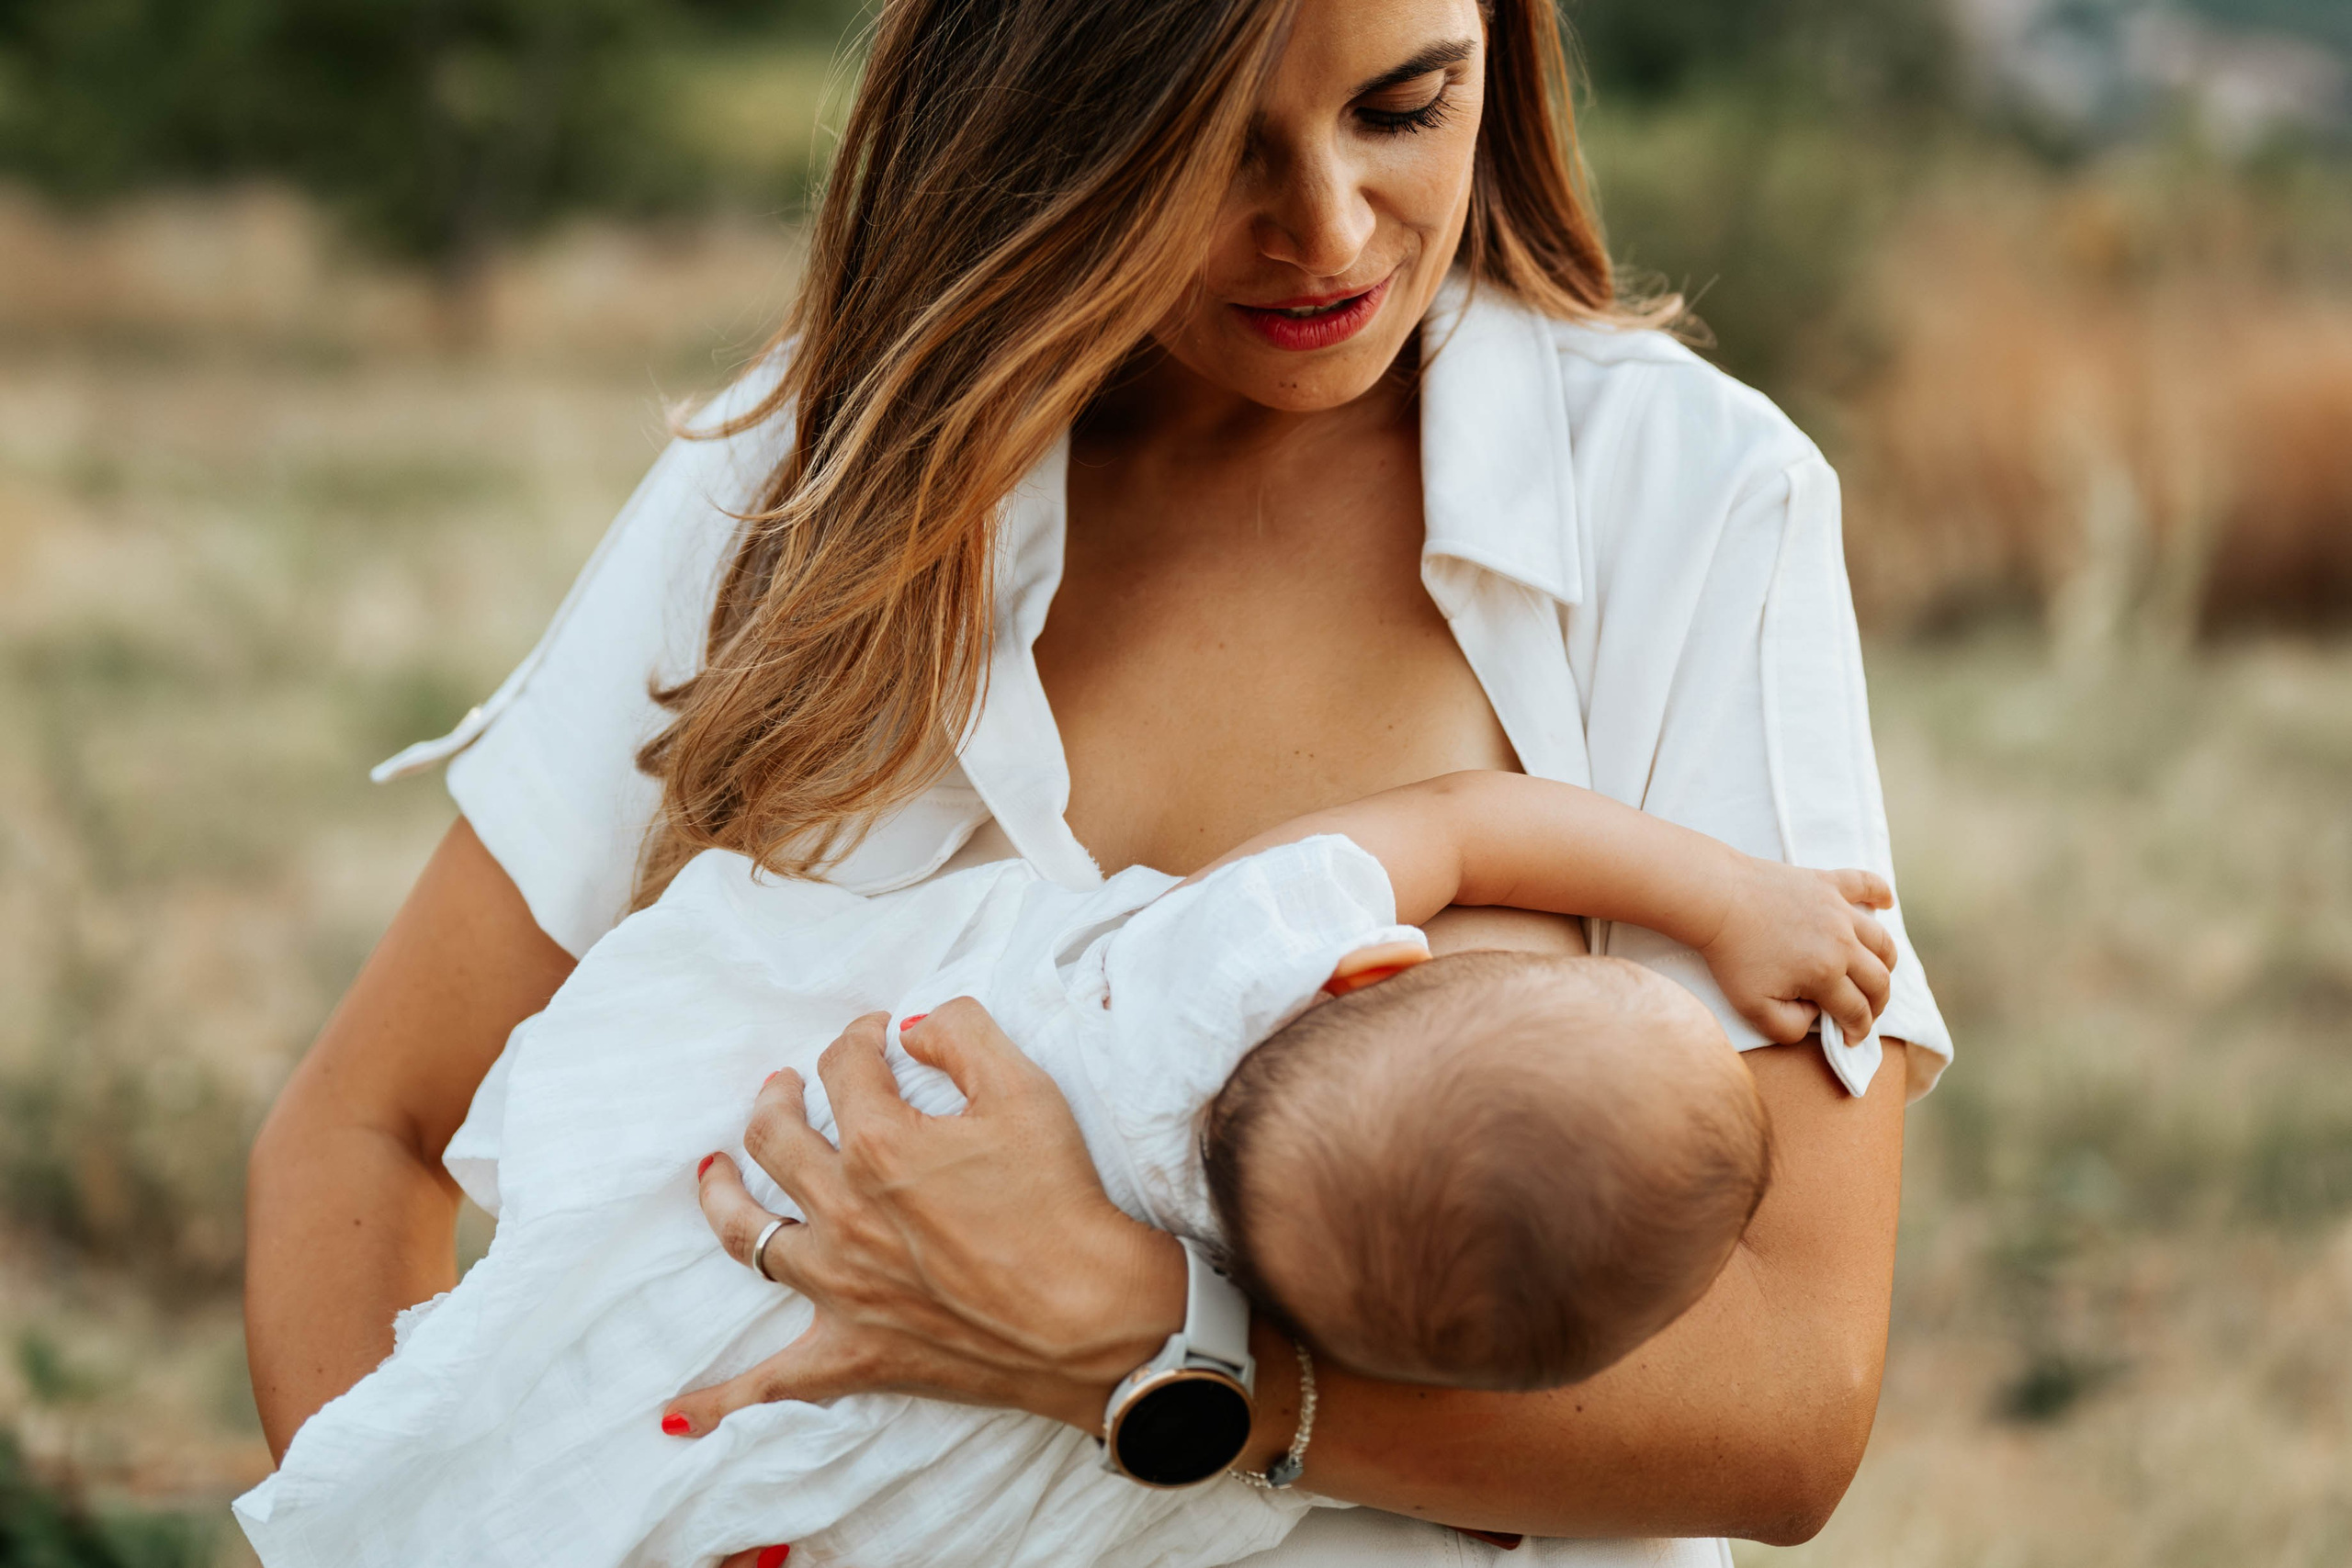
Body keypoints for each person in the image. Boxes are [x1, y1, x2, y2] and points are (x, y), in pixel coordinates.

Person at [244, 0, 1954, 1562]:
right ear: (1042, 118)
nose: (1331, 232)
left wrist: (1142, 1345)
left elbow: (1791, 1407)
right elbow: (365, 1129)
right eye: (1214, 147)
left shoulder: (1691, 497)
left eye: (1403, 107)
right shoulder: (808, 473)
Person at [236, 771, 1889, 1568]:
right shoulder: (1225, 1437)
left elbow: (1460, 821)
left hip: (752, 1208)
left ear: (1380, 974)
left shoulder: (1220, 972)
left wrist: (1722, 895)